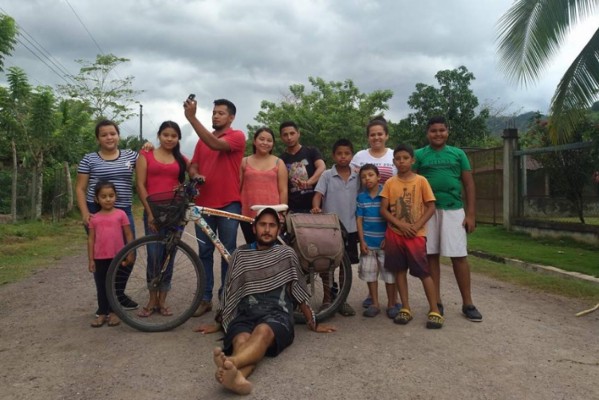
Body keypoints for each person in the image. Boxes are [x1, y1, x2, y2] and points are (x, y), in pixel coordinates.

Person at [194, 207, 336, 395]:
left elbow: (299, 291)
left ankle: (233, 362)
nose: (267, 230)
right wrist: (219, 322)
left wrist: (313, 322)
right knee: (241, 339)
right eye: (262, 225)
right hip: (245, 314)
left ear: (278, 229)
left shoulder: (286, 254)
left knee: (262, 331)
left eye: (272, 226)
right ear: (254, 228)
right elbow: (231, 291)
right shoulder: (240, 255)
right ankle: (238, 378)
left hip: (277, 315)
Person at [414, 116, 482, 322]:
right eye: (433, 131)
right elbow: (413, 183)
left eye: (442, 130)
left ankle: (468, 303)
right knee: (431, 256)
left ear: (447, 132)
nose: (438, 134)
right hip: (427, 212)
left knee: (459, 256)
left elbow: (469, 184)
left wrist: (470, 214)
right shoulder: (419, 155)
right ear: (427, 133)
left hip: (454, 211)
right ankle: (436, 303)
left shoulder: (458, 154)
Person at [184, 98, 246, 317]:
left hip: (229, 202)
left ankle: (226, 299)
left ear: (231, 117)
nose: (215, 116)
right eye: (213, 112)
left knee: (227, 251)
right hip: (203, 205)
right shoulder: (201, 142)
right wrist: (195, 175)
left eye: (220, 113)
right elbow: (193, 165)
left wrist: (191, 118)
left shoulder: (236, 136)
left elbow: (215, 144)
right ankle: (205, 297)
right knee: (205, 253)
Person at [76, 119, 140, 313]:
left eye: (112, 133)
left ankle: (117, 294)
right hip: (97, 213)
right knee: (103, 259)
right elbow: (80, 187)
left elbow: (151, 162)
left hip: (123, 212)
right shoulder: (89, 159)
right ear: (98, 138)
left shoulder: (131, 156)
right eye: (104, 135)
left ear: (118, 135)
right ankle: (104, 306)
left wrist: (148, 147)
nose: (109, 137)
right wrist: (85, 213)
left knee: (130, 254)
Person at [380, 144, 443, 329]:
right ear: (394, 162)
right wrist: (399, 224)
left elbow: (431, 206)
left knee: (424, 272)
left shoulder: (421, 181)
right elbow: (383, 209)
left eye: (405, 158)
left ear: (412, 160)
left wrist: (416, 226)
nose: (401, 161)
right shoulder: (390, 183)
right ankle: (406, 308)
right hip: (395, 234)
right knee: (399, 270)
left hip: (416, 235)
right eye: (398, 159)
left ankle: (434, 310)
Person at [136, 120, 190, 317]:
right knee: (153, 255)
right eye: (166, 134)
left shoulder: (181, 159)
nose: (169, 138)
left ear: (178, 139)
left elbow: (194, 174)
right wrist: (150, 213)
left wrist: (183, 188)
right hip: (154, 212)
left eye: (174, 136)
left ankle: (163, 301)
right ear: (159, 135)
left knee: (169, 254)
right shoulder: (146, 155)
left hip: (175, 212)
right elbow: (140, 185)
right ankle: (151, 300)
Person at [351, 117, 398, 310]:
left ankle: (393, 301)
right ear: (368, 137)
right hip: (366, 212)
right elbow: (351, 181)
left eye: (380, 133)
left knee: (390, 267)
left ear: (386, 135)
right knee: (370, 267)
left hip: (389, 210)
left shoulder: (395, 156)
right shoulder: (360, 156)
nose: (376, 137)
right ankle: (373, 298)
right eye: (372, 134)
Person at [311, 138, 359, 317]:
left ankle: (342, 301)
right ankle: (327, 299)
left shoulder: (357, 175)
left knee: (344, 266)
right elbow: (318, 195)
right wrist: (316, 207)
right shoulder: (327, 175)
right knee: (327, 264)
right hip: (329, 228)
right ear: (333, 155)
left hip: (351, 228)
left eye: (347, 153)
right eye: (339, 153)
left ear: (352, 155)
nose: (343, 157)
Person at [87, 181, 134, 328]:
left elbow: (128, 234)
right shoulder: (94, 218)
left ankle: (114, 313)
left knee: (115, 285)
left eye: (111, 196)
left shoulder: (121, 214)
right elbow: (91, 239)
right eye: (103, 196)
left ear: (116, 196)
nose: (108, 199)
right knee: (101, 286)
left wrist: (130, 253)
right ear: (96, 199)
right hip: (100, 258)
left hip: (117, 257)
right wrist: (91, 259)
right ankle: (102, 313)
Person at [356, 164, 398, 318]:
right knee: (370, 274)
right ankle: (374, 303)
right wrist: (362, 241)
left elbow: (392, 218)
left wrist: (388, 237)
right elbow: (359, 220)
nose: (367, 178)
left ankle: (392, 303)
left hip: (386, 243)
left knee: (390, 275)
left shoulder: (386, 194)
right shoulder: (361, 197)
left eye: (370, 175)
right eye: (363, 176)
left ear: (379, 177)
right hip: (368, 244)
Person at [239, 127, 288, 243]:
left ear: (273, 144)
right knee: (252, 247)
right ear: (254, 141)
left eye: (269, 140)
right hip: (247, 214)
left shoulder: (279, 163)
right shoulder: (244, 162)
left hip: (272, 215)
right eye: (262, 139)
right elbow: (238, 187)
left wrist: (282, 214)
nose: (265, 143)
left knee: (270, 250)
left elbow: (283, 190)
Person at [279, 121, 326, 213]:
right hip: (292, 209)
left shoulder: (311, 151)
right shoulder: (280, 160)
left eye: (292, 133)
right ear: (281, 138)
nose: (289, 137)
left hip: (314, 207)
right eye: (285, 135)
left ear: (298, 133)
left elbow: (322, 167)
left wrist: (308, 182)